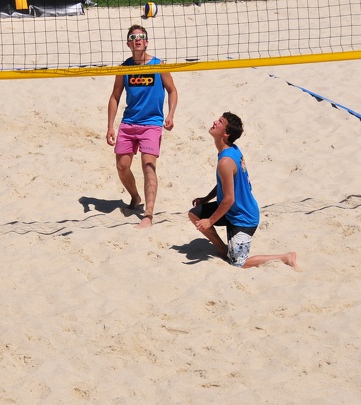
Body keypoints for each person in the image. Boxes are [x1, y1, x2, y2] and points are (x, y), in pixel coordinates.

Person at [189, 113, 298, 269]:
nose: (215, 122)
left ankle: (285, 257)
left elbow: (229, 199)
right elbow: (225, 183)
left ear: (226, 133)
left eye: (220, 122)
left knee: (239, 263)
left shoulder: (226, 161)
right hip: (230, 211)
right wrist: (206, 198)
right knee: (194, 214)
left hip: (243, 217)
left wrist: (210, 221)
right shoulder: (231, 149)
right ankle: (223, 250)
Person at [106, 25, 178, 229]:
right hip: (129, 123)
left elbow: (172, 91)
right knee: (122, 166)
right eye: (133, 37)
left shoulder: (158, 65)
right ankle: (135, 197)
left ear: (146, 42)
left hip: (152, 124)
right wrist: (110, 126)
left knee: (148, 167)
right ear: (129, 43)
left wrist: (170, 114)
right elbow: (115, 96)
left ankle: (148, 214)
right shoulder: (124, 68)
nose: (137, 40)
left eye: (141, 37)